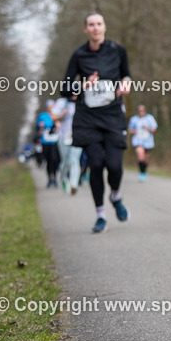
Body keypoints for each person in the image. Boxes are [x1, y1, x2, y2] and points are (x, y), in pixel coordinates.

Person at [61, 12, 133, 233]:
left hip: (112, 116)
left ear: (105, 27)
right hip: (88, 119)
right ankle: (100, 215)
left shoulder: (118, 51)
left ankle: (115, 196)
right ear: (85, 29)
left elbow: (126, 76)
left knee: (114, 166)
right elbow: (64, 89)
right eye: (91, 25)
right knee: (96, 165)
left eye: (98, 24)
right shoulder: (79, 55)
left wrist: (126, 84)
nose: (95, 28)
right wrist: (83, 86)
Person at [51, 97, 82, 195]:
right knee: (65, 160)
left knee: (75, 160)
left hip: (77, 136)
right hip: (64, 136)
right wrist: (63, 114)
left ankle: (73, 184)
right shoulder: (61, 102)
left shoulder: (81, 100)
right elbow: (53, 117)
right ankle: (64, 179)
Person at [128, 105, 158, 182]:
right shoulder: (134, 119)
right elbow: (130, 129)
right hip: (138, 140)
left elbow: (154, 129)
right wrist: (134, 131)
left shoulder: (150, 118)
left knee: (146, 159)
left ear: (145, 111)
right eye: (139, 110)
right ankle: (141, 173)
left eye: (142, 110)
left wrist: (147, 128)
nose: (141, 112)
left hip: (148, 141)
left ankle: (144, 172)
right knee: (140, 156)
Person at [36, 100, 61, 188]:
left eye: (52, 105)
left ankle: (54, 178)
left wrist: (58, 125)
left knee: (54, 159)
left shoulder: (57, 115)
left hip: (55, 141)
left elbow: (60, 127)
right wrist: (40, 127)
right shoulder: (42, 116)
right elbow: (38, 128)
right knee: (48, 160)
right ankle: (50, 179)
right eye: (50, 106)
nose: (51, 107)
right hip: (45, 141)